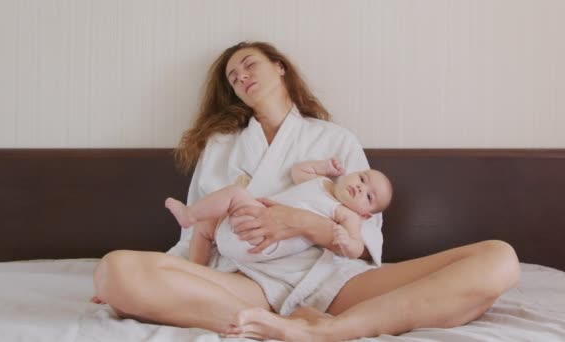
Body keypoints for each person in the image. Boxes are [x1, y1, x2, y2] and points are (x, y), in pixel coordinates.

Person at [92, 41, 520, 341]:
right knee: (115, 272)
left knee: (497, 259)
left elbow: (365, 233)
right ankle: (281, 319)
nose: (241, 76)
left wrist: (301, 222)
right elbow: (194, 233)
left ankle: (327, 330)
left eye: (248, 64)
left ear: (279, 66)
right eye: (233, 76)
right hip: (246, 282)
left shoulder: (336, 140)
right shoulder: (221, 146)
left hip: (334, 281)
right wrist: (151, 281)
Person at [165, 158, 393, 264]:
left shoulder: (346, 214)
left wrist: (346, 241)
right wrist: (324, 167)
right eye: (362, 178)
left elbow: (357, 247)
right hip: (246, 226)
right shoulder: (323, 183)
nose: (361, 187)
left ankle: (189, 214)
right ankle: (195, 270)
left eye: (369, 196)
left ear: (366, 215)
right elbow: (298, 171)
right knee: (207, 226)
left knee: (235, 193)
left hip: (266, 240)